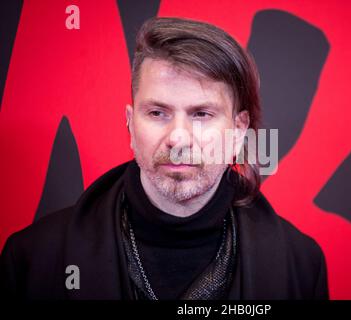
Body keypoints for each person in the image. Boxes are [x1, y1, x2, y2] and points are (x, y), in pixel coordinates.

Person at [0, 17, 328, 300]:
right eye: (158, 112)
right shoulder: (33, 259)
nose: (178, 138)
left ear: (239, 129)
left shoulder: (300, 265)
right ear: (130, 124)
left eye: (201, 114)